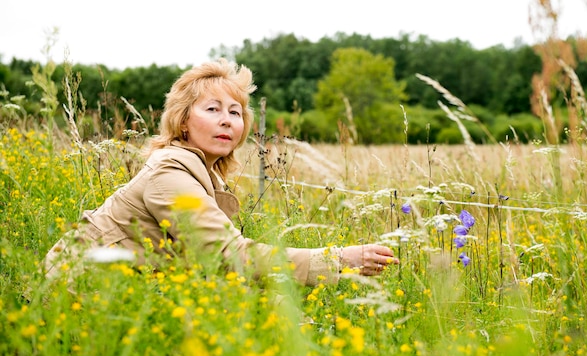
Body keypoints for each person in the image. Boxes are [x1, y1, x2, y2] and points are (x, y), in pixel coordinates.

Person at [44, 58, 399, 288]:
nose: (228, 119)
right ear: (183, 121)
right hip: (76, 294)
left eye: (235, 111)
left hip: (113, 291)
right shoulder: (170, 173)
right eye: (212, 109)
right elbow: (230, 256)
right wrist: (337, 260)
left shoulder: (202, 171)